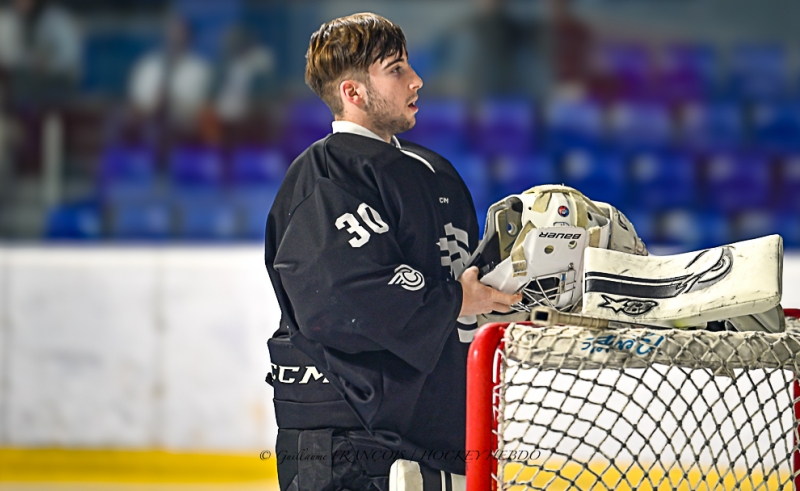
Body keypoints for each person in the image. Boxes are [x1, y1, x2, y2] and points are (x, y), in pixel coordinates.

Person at [264, 12, 520, 491]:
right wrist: (457, 300)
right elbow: (340, 300)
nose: (416, 79)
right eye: (396, 68)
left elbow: (463, 286)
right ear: (353, 93)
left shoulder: (436, 170)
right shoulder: (323, 178)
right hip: (347, 444)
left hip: (440, 436)